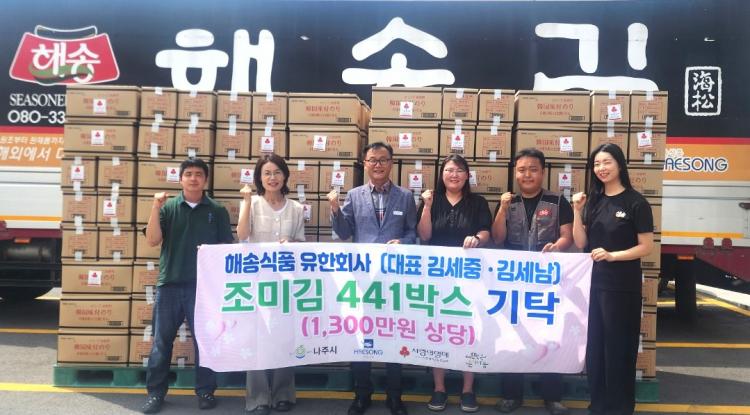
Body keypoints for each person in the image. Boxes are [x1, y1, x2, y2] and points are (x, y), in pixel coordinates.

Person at [328, 142, 417, 415]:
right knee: (362, 337)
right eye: (372, 160)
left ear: (391, 163)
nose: (378, 165)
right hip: (363, 281)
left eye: (383, 159)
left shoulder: (405, 197)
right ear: (365, 164)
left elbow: (414, 233)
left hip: (394, 280)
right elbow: (344, 233)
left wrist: (403, 242)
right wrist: (334, 209)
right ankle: (362, 395)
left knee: (393, 335)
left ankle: (394, 396)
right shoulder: (354, 196)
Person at [141, 158, 234, 414]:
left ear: (205, 180)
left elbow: (226, 249)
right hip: (169, 285)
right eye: (189, 174)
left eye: (198, 174)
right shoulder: (169, 208)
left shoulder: (217, 210)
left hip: (203, 288)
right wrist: (155, 206)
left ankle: (205, 391)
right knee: (161, 343)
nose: (193, 178)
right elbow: (152, 240)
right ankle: (155, 394)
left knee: (205, 342)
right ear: (180, 179)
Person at [571, 143, 654, 415]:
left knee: (619, 349)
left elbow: (646, 247)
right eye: (596, 164)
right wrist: (576, 211)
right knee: (596, 349)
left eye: (606, 162)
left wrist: (613, 256)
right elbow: (581, 242)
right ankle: (598, 405)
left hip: (622, 287)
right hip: (594, 286)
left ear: (619, 165)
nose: (601, 168)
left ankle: (619, 408)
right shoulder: (594, 202)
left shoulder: (636, 202)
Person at [490, 148, 573, 415]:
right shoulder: (508, 202)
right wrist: (502, 210)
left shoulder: (557, 201)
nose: (527, 175)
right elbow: (498, 238)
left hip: (547, 282)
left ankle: (552, 397)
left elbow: (567, 236)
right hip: (513, 282)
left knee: (550, 336)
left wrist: (557, 247)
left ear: (543, 172)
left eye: (533, 169)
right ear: (515, 173)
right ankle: (511, 394)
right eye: (522, 170)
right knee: (514, 337)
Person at [417, 155, 491, 413]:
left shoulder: (478, 202)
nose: (454, 174)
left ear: (467, 175)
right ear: (442, 174)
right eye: (449, 170)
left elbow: (486, 231)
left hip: (469, 277)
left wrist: (477, 239)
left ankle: (468, 389)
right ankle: (439, 388)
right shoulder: (432, 200)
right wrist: (427, 207)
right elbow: (424, 235)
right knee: (438, 330)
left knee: (469, 330)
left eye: (460, 170)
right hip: (437, 277)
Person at [237, 154, 306, 415]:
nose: (272, 177)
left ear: (285, 176)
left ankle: (283, 393)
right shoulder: (251, 203)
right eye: (266, 173)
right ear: (259, 178)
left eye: (277, 172)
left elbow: (301, 243)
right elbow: (242, 236)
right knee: (257, 339)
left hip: (286, 283)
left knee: (284, 338)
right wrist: (246, 202)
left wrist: (292, 244)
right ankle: (258, 398)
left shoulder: (296, 208)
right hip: (258, 281)